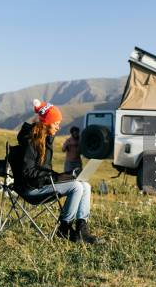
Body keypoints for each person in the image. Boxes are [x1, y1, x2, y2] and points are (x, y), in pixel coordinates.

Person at [13, 99, 102, 244]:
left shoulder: (45, 140)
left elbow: (42, 170)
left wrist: (61, 176)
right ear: (46, 122)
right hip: (31, 189)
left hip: (41, 184)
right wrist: (55, 177)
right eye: (56, 123)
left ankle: (82, 229)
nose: (58, 127)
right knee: (76, 186)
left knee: (85, 185)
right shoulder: (30, 142)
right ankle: (65, 227)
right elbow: (28, 173)